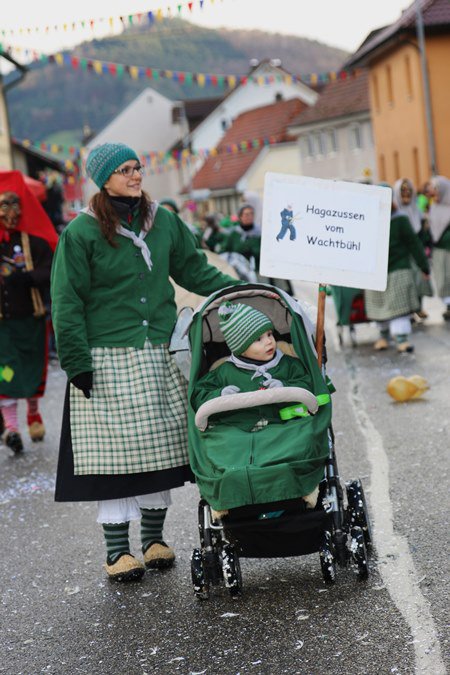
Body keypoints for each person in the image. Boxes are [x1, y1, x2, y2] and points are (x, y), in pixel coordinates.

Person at [50, 143, 240, 583]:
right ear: (104, 180)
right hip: (106, 358)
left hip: (157, 352)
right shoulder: (81, 233)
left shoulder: (164, 221)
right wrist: (77, 361)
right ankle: (117, 550)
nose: (136, 176)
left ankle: (154, 541)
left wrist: (241, 289)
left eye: (137, 167)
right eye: (124, 170)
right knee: (114, 461)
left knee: (159, 453)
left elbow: (195, 271)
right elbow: (66, 301)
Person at [191, 301, 319, 509]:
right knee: (220, 449)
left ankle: (296, 485)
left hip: (282, 428)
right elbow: (199, 395)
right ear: (240, 346)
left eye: (269, 334)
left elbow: (308, 384)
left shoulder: (288, 364)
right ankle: (231, 491)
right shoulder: (223, 372)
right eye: (258, 339)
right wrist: (219, 394)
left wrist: (285, 386)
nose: (269, 342)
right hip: (238, 431)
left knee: (302, 440)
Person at [0, 171, 57, 453]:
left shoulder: (34, 241)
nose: (10, 213)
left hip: (31, 320)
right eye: (4, 206)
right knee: (5, 372)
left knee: (33, 369)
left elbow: (52, 267)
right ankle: (11, 427)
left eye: (15, 206)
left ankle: (33, 413)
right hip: (3, 325)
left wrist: (29, 277)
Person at [364, 188, 431, 353]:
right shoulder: (367, 219)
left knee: (399, 309)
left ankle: (401, 339)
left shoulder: (400, 219)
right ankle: (383, 336)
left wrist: (424, 266)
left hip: (398, 269)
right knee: (380, 306)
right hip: (375, 272)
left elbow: (413, 243)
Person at [392, 178, 433, 319]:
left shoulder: (417, 211)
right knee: (407, 282)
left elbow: (422, 233)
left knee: (419, 280)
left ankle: (419, 307)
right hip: (403, 255)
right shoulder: (396, 215)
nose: (406, 193)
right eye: (403, 190)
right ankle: (408, 312)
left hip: (416, 252)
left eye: (409, 190)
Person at [427, 175, 450, 321]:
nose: (433, 192)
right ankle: (447, 305)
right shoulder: (433, 208)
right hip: (438, 249)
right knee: (441, 279)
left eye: (435, 189)